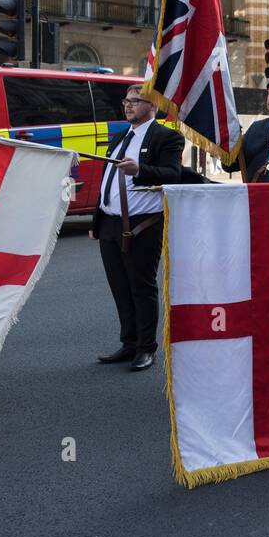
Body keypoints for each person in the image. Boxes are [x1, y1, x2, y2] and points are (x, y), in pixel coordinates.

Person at [92, 86, 186, 371]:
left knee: (141, 287)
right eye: (126, 101)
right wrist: (97, 224)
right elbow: (107, 180)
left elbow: (173, 175)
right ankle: (128, 342)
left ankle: (146, 348)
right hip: (110, 223)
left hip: (143, 224)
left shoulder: (166, 137)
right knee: (119, 287)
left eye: (135, 101)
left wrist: (141, 171)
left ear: (152, 106)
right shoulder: (121, 136)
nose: (128, 106)